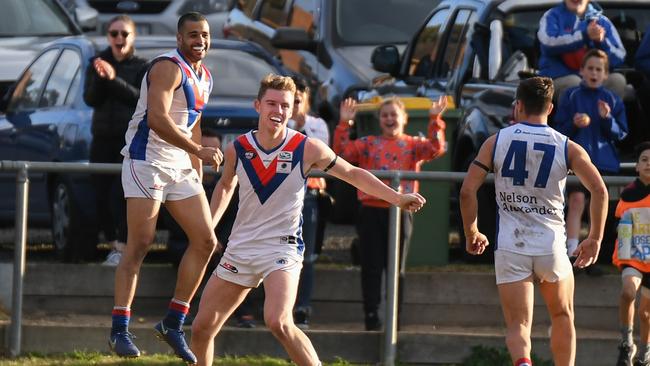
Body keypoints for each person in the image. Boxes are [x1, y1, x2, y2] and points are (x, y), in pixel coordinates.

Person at [190, 74, 426, 366]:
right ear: (257, 105)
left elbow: (352, 173)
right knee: (201, 328)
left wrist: (397, 198)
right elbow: (226, 185)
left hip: (282, 247)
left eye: (285, 106)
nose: (278, 111)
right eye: (271, 104)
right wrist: (208, 227)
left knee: (278, 321)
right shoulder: (238, 148)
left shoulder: (306, 147)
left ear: (293, 109)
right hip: (241, 247)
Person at [460, 76, 608, 366]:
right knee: (563, 315)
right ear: (550, 108)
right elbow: (600, 191)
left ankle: (524, 363)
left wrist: (471, 231)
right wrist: (595, 238)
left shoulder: (496, 141)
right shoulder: (567, 146)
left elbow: (467, 191)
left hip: (511, 243)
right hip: (550, 244)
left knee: (518, 325)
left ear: (518, 106)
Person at [109, 12, 222, 364]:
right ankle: (119, 329)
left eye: (204, 34)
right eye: (192, 35)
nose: (199, 40)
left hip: (179, 165)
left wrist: (197, 168)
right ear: (178, 38)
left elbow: (195, 125)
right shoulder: (167, 67)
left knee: (206, 241)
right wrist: (197, 151)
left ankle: (173, 322)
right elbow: (157, 119)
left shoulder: (205, 76)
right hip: (146, 160)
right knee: (140, 243)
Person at [332, 95, 447, 330]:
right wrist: (345, 123)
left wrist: (435, 119)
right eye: (385, 115)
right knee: (371, 266)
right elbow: (341, 154)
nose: (389, 119)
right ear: (379, 119)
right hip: (370, 211)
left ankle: (395, 317)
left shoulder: (413, 144)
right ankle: (371, 315)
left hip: (400, 211)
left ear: (404, 119)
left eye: (394, 114)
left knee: (397, 267)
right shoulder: (368, 143)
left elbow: (436, 149)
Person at [83, 15, 148, 266]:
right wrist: (102, 78)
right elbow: (91, 99)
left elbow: (138, 99)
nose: (119, 39)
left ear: (133, 37)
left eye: (124, 34)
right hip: (101, 138)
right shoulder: (98, 62)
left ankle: (122, 247)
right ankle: (112, 244)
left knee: (120, 196)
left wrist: (113, 80)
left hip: (128, 141)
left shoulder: (142, 66)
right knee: (99, 193)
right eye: (114, 34)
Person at [554, 49, 628, 265]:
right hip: (579, 161)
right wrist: (573, 124)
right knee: (576, 201)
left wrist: (607, 119)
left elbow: (622, 134)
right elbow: (559, 129)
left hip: (604, 161)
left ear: (606, 75)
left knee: (602, 205)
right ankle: (571, 251)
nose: (594, 73)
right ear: (582, 71)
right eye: (590, 68)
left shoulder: (612, 99)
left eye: (599, 69)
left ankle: (597, 253)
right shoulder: (570, 95)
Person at [287, 75, 330, 329]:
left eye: (297, 101)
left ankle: (302, 307)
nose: (292, 107)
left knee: (308, 255)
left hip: (310, 194)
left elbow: (320, 160)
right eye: (288, 101)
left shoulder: (317, 125)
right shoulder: (280, 123)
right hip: (283, 195)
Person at [537, 0, 627, 101]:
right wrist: (584, 36)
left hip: (595, 78)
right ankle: (572, 117)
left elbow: (620, 56)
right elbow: (548, 43)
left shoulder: (602, 21)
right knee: (574, 83)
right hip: (559, 78)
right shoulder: (552, 16)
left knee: (617, 80)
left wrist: (601, 42)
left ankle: (607, 116)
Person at [611, 142, 650, 366]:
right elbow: (620, 225)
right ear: (636, 166)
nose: (648, 164)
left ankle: (645, 352)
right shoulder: (628, 194)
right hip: (632, 256)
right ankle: (626, 342)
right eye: (644, 160)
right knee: (628, 292)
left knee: (646, 314)